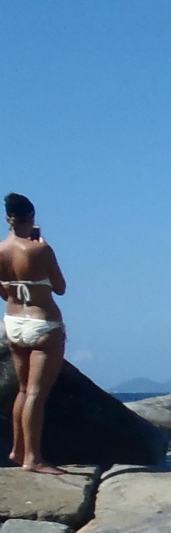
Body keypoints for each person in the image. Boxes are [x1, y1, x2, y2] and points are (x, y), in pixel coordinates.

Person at [3, 192, 68, 475]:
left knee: (22, 390)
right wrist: (41, 248)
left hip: (13, 322)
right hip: (43, 324)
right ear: (32, 219)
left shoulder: (1, 250)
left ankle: (18, 450)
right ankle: (33, 457)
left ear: (8, 219)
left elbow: (3, 292)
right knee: (36, 395)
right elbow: (60, 287)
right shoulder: (41, 250)